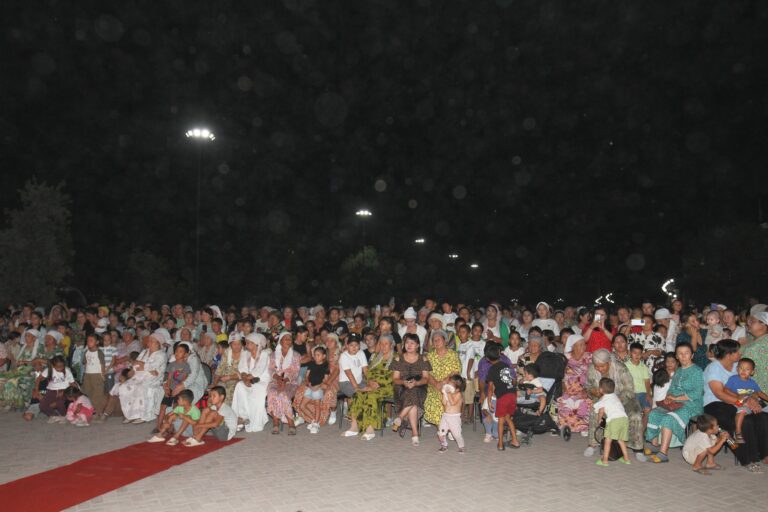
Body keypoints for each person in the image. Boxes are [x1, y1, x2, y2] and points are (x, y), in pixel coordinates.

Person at [645, 343, 704, 463]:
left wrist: (676, 398)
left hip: (691, 405)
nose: (683, 356)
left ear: (692, 355)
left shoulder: (697, 371)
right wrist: (668, 397)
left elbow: (697, 393)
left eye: (686, 353)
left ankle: (663, 453)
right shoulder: (679, 371)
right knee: (653, 414)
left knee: (668, 418)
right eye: (680, 354)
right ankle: (655, 444)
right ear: (677, 356)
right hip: (674, 403)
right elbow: (671, 389)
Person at [585, 349, 644, 459]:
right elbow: (588, 387)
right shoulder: (592, 369)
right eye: (597, 366)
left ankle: (637, 448)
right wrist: (593, 391)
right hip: (604, 399)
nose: (599, 369)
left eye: (602, 366)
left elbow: (630, 389)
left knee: (635, 414)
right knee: (595, 411)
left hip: (624, 399)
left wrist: (616, 400)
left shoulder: (620, 368)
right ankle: (593, 444)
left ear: (609, 362)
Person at [346, 335, 395, 441]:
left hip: (387, 387)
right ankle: (354, 427)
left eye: (386, 344)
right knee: (357, 393)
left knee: (371, 396)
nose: (383, 346)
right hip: (372, 385)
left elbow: (393, 377)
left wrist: (377, 384)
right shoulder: (375, 356)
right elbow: (368, 373)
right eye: (381, 343)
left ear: (391, 345)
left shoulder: (396, 358)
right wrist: (370, 382)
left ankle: (370, 429)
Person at [391, 333, 431, 446]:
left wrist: (416, 383)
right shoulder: (398, 358)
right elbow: (395, 379)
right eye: (407, 342)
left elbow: (426, 378)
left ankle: (400, 417)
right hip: (401, 388)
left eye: (412, 343)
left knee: (414, 392)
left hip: (419, 387)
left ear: (417, 345)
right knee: (413, 400)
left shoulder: (423, 358)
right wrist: (404, 382)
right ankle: (414, 433)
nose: (409, 345)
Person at [120, 333, 167, 424]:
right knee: (124, 387)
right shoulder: (144, 351)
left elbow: (154, 368)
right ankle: (131, 415)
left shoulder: (161, 355)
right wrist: (145, 367)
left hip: (153, 378)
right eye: (149, 341)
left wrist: (144, 366)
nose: (149, 343)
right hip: (139, 376)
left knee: (142, 387)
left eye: (152, 341)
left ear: (158, 343)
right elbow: (135, 364)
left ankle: (144, 415)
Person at [231, 333, 271, 433]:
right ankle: (242, 417)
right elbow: (242, 368)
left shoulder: (264, 354)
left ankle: (255, 422)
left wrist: (248, 379)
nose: (246, 344)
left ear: (256, 344)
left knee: (256, 390)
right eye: (247, 342)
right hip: (248, 379)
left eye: (249, 342)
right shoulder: (245, 354)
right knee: (239, 386)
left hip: (262, 380)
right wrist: (245, 379)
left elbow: (259, 370)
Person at [485, 343, 520, 451]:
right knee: (508, 418)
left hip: (503, 396)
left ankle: (500, 444)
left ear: (487, 358)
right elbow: (512, 380)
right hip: (512, 394)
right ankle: (515, 441)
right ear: (499, 354)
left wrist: (489, 401)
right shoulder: (505, 365)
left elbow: (490, 388)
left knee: (501, 420)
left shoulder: (491, 369)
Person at [726, 357, 768, 444]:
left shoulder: (752, 382)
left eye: (747, 369)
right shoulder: (733, 379)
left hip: (754, 401)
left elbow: (760, 393)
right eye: (741, 368)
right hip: (739, 401)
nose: (743, 371)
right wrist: (738, 396)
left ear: (752, 372)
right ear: (737, 369)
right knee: (742, 412)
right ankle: (737, 432)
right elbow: (726, 390)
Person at [557, 334, 592, 436]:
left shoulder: (589, 357)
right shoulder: (565, 358)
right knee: (561, 402)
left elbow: (594, 375)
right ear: (572, 347)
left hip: (584, 389)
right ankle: (567, 426)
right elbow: (559, 375)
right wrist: (563, 387)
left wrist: (587, 389)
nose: (583, 347)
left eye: (584, 344)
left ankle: (584, 427)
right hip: (567, 390)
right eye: (580, 345)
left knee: (587, 402)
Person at [424, 330, 461, 426]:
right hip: (434, 384)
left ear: (445, 341)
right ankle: (441, 428)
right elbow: (427, 374)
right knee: (434, 397)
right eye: (434, 340)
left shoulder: (453, 354)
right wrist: (436, 384)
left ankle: (446, 426)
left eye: (439, 339)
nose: (436, 342)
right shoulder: (430, 356)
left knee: (446, 395)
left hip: (450, 384)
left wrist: (443, 382)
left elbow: (456, 372)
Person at [267, 332, 300, 435]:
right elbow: (271, 369)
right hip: (275, 381)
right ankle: (275, 423)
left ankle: (291, 423)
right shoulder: (273, 355)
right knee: (272, 393)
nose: (288, 341)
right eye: (286, 339)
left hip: (290, 382)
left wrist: (285, 380)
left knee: (283, 395)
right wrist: (278, 378)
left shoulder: (296, 355)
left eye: (290, 339)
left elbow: (295, 372)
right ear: (280, 341)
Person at [593, 378, 631, 466]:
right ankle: (626, 459)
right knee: (620, 440)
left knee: (608, 440)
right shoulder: (615, 396)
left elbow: (601, 411)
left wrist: (599, 419)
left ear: (601, 390)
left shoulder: (603, 399)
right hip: (624, 419)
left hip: (614, 420)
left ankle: (605, 460)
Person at [155, 343, 191, 432]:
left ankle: (171, 427)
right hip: (170, 389)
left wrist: (177, 390)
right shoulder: (171, 364)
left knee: (176, 408)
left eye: (180, 351)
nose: (177, 353)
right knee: (163, 406)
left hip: (179, 391)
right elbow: (169, 378)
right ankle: (158, 427)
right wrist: (167, 388)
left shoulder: (186, 366)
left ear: (185, 354)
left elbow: (184, 380)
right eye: (176, 351)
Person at [300, 346, 330, 434]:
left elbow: (325, 380)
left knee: (317, 405)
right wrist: (308, 383)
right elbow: (306, 376)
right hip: (310, 386)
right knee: (302, 405)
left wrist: (318, 386)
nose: (316, 357)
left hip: (318, 388)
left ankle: (316, 424)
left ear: (324, 356)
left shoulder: (325, 366)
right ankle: (314, 420)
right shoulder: (312, 364)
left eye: (318, 355)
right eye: (315, 355)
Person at [39, 355, 76, 419]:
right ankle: (54, 415)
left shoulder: (67, 371)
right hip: (51, 390)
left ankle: (64, 415)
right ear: (53, 366)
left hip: (64, 390)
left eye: (62, 366)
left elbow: (73, 384)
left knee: (59, 403)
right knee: (42, 406)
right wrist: (37, 391)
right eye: (58, 367)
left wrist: (64, 391)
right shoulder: (49, 370)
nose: (60, 368)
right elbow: (38, 379)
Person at [625, 343, 652, 428]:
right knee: (635, 412)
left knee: (648, 410)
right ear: (630, 353)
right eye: (634, 353)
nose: (637, 355)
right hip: (632, 393)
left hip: (643, 393)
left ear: (642, 354)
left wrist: (648, 394)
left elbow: (647, 381)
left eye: (639, 353)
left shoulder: (643, 367)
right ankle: (633, 430)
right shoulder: (625, 366)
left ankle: (641, 431)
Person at [212, 335, 244, 406]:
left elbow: (243, 373)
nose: (237, 346)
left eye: (239, 344)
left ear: (242, 344)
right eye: (234, 344)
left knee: (225, 399)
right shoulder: (227, 352)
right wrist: (215, 384)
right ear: (230, 345)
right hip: (223, 379)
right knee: (215, 395)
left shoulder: (245, 354)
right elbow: (220, 368)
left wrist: (229, 377)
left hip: (237, 381)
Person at [438, 374, 466, 453]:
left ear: (457, 387)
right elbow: (444, 403)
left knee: (456, 434)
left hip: (454, 417)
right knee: (441, 433)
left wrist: (449, 393)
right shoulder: (448, 393)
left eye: (450, 384)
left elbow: (452, 403)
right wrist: (444, 393)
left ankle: (461, 446)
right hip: (445, 416)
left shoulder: (458, 394)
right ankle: (444, 445)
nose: (448, 385)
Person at [81, 333, 107, 416]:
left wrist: (103, 374)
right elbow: (85, 363)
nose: (89, 342)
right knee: (88, 391)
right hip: (88, 374)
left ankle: (98, 411)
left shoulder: (99, 352)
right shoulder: (86, 352)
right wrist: (84, 374)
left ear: (97, 342)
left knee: (97, 393)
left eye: (91, 340)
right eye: (88, 340)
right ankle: (91, 409)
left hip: (97, 375)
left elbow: (102, 364)